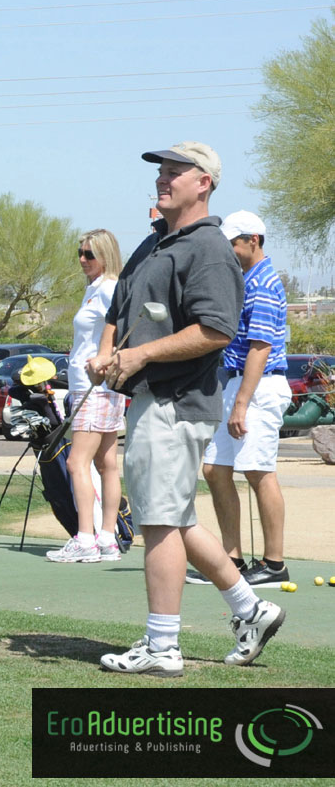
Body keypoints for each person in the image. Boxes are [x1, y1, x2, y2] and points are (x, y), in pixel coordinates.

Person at [92, 142, 284, 676]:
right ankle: (252, 609)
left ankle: (163, 647)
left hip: (178, 402)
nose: (164, 178)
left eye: (177, 171)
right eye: (161, 170)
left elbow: (216, 330)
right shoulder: (155, 242)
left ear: (205, 183)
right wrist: (107, 352)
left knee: (158, 521)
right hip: (152, 398)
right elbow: (120, 305)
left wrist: (140, 354)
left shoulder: (210, 250)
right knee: (175, 517)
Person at [193, 211, 292, 587]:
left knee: (258, 471)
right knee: (215, 470)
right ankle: (231, 561)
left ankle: (274, 563)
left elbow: (260, 348)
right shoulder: (244, 278)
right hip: (238, 383)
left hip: (260, 386)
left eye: (233, 243)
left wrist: (240, 404)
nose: (229, 250)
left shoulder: (264, 282)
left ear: (253, 239)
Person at [46, 229, 127, 564]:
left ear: (106, 256)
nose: (82, 259)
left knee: (75, 461)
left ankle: (85, 539)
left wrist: (103, 361)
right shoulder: (94, 289)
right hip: (97, 386)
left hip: (95, 386)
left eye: (89, 254)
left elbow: (120, 330)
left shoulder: (108, 288)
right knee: (106, 462)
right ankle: (107, 539)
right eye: (79, 252)